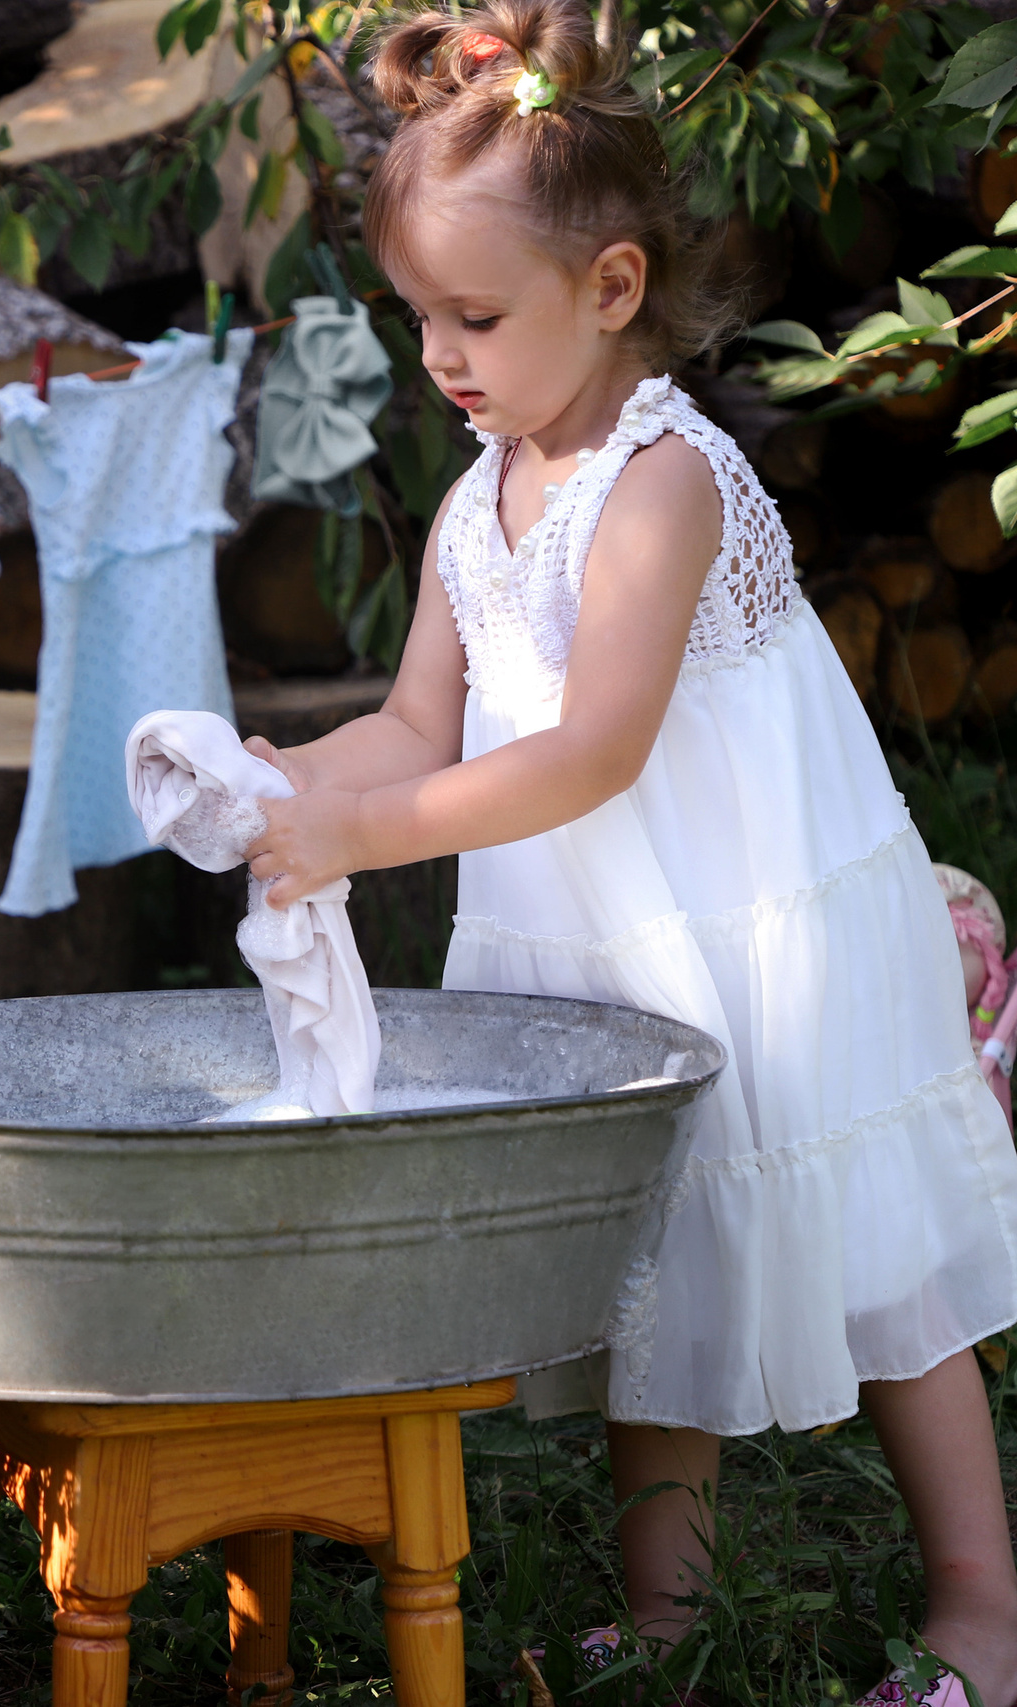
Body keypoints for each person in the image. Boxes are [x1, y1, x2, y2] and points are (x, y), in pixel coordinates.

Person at [236, 3, 1017, 1700]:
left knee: (870, 1241)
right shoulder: (478, 495)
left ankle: (982, 1604)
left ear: (610, 288)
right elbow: (418, 731)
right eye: (420, 316)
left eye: (476, 316)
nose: (441, 354)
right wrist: (292, 777)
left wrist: (367, 836)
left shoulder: (665, 482)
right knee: (658, 1242)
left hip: (755, 927)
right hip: (608, 938)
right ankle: (667, 1617)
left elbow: (593, 751)